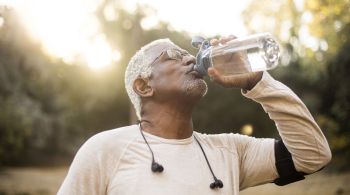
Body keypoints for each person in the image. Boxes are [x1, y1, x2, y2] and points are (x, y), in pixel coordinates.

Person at [58, 36, 331, 195]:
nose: (189, 59)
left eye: (188, 53)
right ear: (144, 86)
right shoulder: (105, 149)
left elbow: (313, 155)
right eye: (172, 56)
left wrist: (258, 83)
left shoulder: (230, 151)